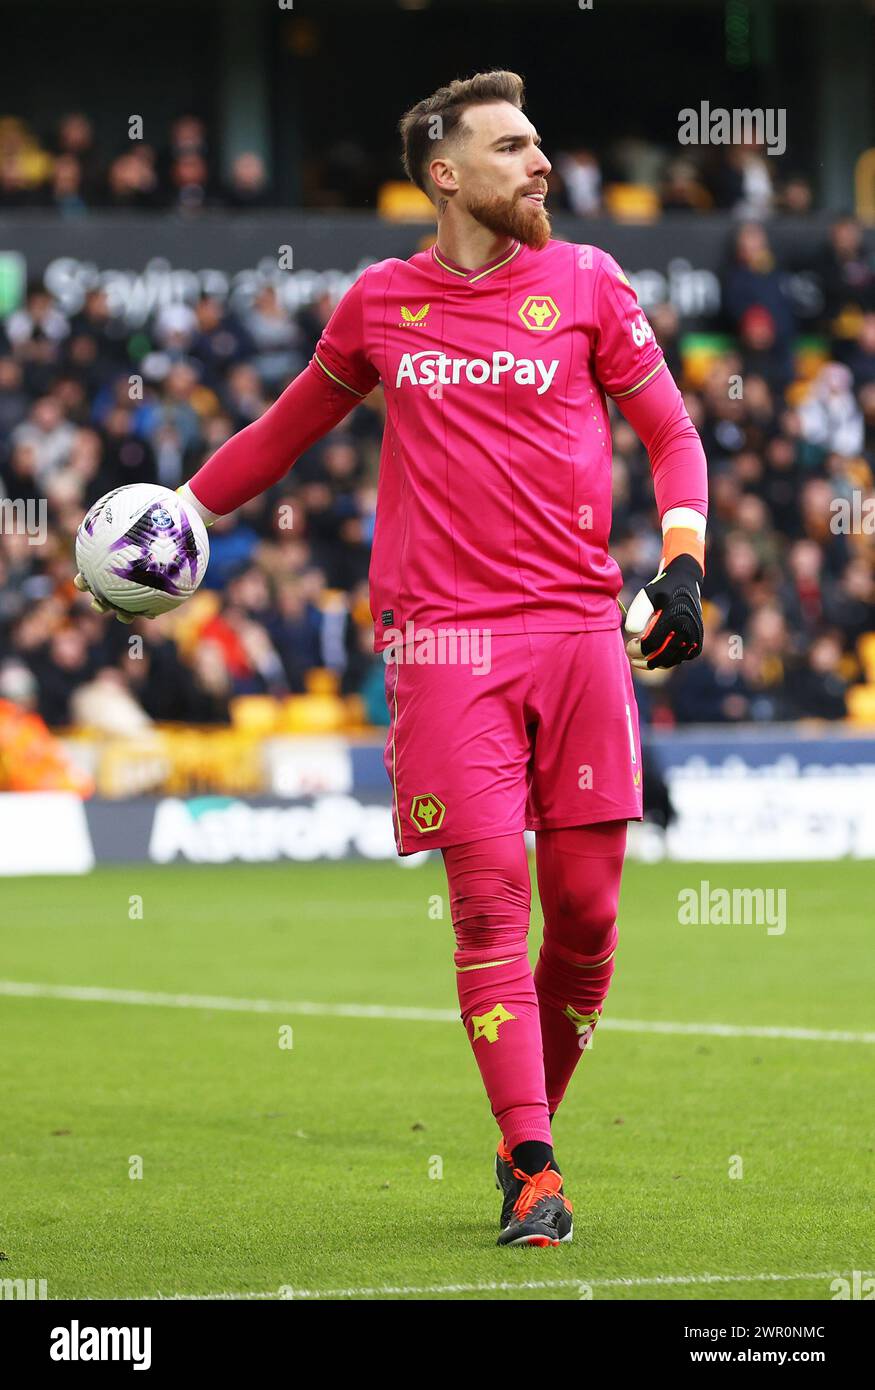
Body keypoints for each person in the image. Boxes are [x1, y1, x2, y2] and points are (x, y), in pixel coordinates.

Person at [74, 69, 708, 1247]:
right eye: (512, 147)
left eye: (537, 145)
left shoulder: (585, 283)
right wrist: (190, 520)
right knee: (487, 907)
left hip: (577, 633)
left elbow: (669, 431)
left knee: (580, 918)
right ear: (444, 174)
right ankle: (532, 1166)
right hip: (439, 644)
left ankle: (524, 1130)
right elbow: (284, 428)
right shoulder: (379, 304)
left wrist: (680, 564)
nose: (539, 164)